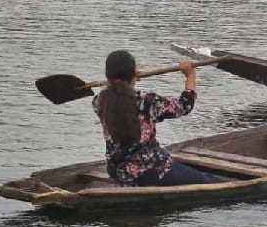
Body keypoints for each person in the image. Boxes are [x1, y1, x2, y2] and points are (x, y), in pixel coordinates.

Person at [92, 50, 220, 186]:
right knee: (209, 181)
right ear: (132, 73)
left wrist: (130, 80)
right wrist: (190, 75)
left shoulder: (99, 102)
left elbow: (119, 92)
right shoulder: (148, 101)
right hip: (149, 169)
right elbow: (184, 106)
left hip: (118, 171)